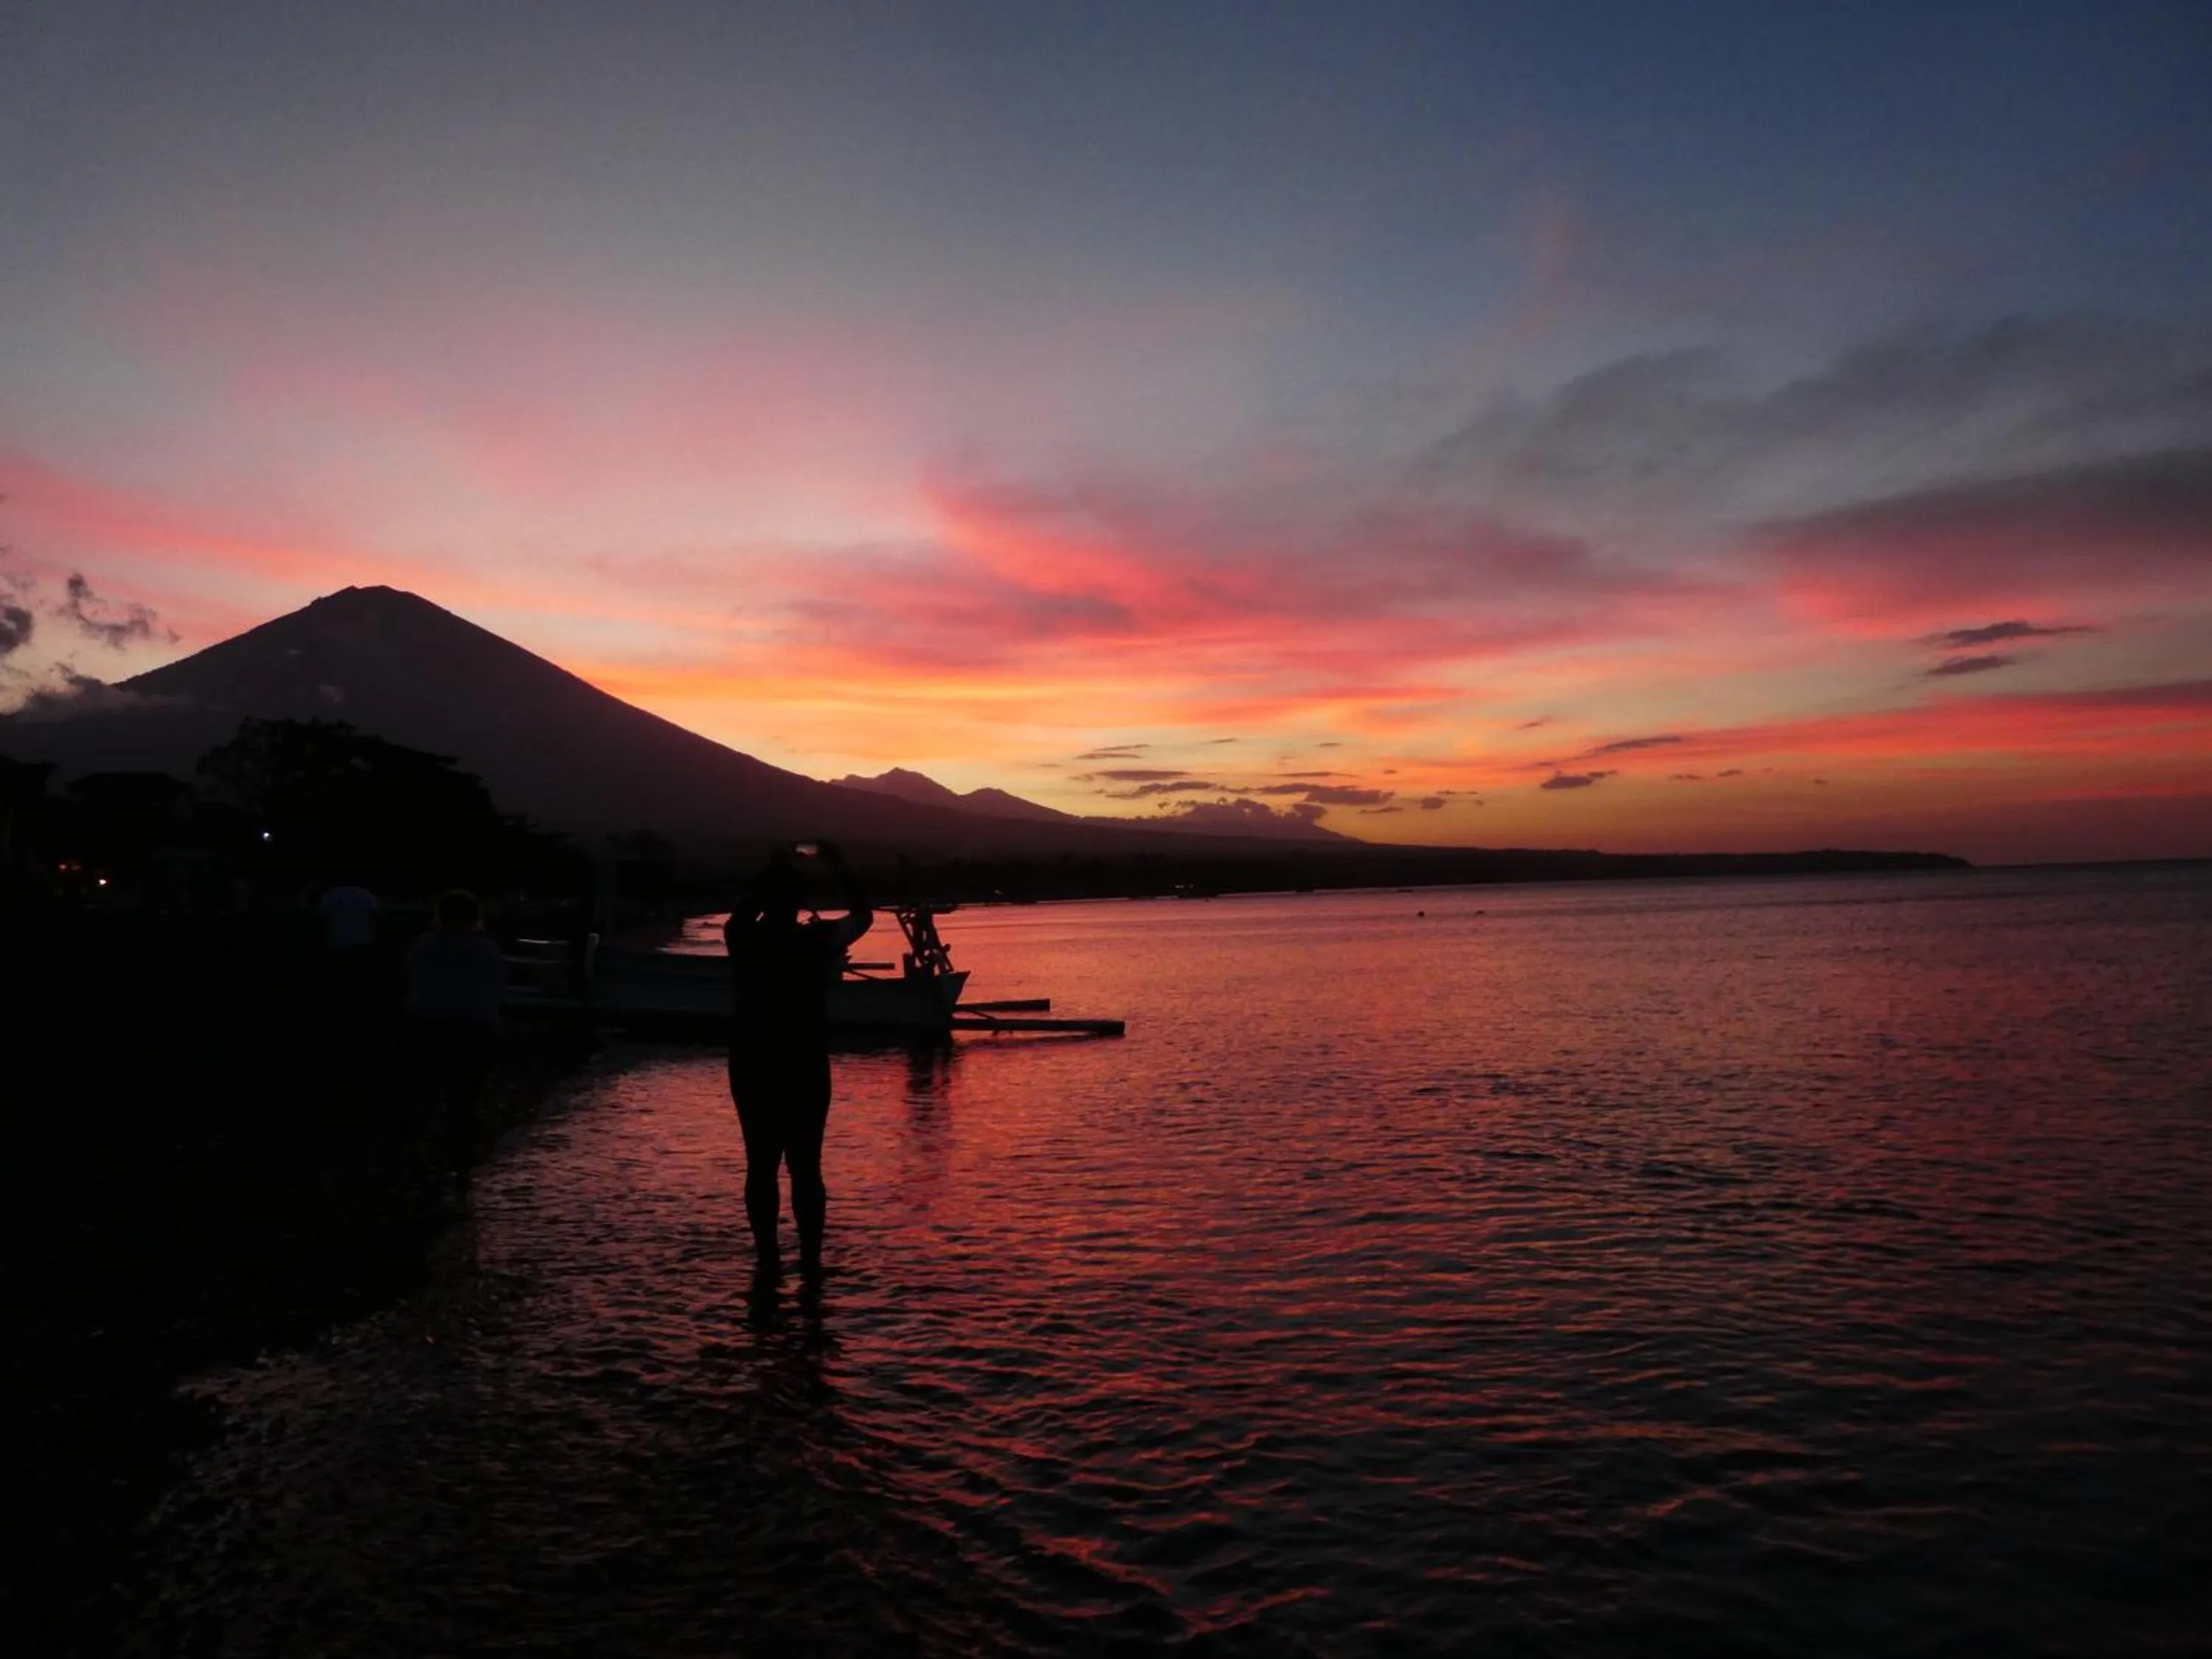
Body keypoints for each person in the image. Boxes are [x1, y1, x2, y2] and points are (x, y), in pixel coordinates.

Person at [724, 842, 873, 1281]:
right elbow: (863, 916)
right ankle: (810, 1262)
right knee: (807, 1165)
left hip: (753, 1059)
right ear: (802, 902)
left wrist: (770, 870)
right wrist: (840, 862)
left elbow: (742, 912)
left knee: (761, 1163)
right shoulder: (818, 939)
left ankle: (767, 1260)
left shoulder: (742, 938)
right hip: (804, 1060)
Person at [403, 888, 504, 1197]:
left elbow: (410, 980)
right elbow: (495, 988)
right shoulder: (485, 949)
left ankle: (414, 1160)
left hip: (427, 1024)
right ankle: (460, 1166)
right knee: (464, 1101)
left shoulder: (423, 945)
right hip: (472, 1029)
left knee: (420, 1096)